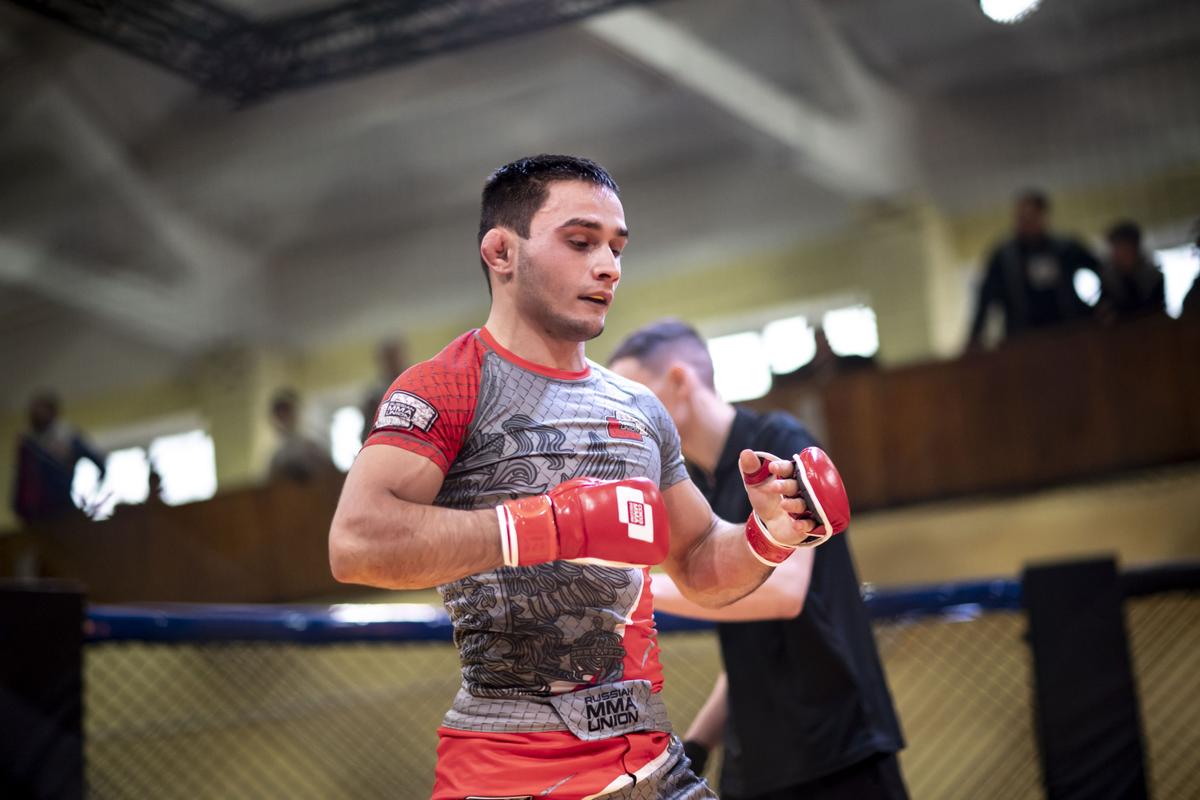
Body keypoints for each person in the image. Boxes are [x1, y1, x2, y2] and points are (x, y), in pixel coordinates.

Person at [328, 154, 849, 799]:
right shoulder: (449, 385)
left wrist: (768, 535)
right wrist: (553, 525)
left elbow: (698, 562)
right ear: (501, 252)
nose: (608, 266)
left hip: (653, 767)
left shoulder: (639, 409)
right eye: (580, 242)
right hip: (509, 775)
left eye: (616, 247)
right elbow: (357, 542)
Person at [609, 320, 906, 800]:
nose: (627, 417)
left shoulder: (778, 439)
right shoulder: (695, 489)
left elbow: (785, 593)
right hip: (758, 760)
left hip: (839, 748)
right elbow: (751, 647)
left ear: (680, 380)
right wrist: (700, 742)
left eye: (635, 397)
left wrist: (625, 588)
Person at [967, 189, 1100, 348]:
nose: (1025, 223)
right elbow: (987, 296)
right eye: (1020, 217)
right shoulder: (1004, 257)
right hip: (1023, 339)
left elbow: (1098, 275)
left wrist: (1094, 312)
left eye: (1030, 217)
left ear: (1043, 216)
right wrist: (975, 337)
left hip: (1070, 332)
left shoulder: (1066, 249)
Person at [11, 390, 106, 525]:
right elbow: (22, 479)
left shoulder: (68, 437)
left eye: (42, 410)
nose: (38, 414)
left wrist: (91, 497)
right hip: (33, 513)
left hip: (62, 508)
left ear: (53, 412)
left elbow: (100, 464)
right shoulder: (28, 444)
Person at [1096, 220, 1165, 323]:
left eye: (1124, 248)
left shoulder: (1153, 278)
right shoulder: (1109, 281)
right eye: (1116, 248)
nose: (1119, 254)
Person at [267, 388, 336, 483]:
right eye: (280, 414)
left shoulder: (313, 447)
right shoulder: (278, 457)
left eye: (286, 412)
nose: (284, 419)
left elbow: (330, 475)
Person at [358, 339, 409, 445]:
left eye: (395, 356)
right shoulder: (374, 397)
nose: (393, 362)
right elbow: (366, 435)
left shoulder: (415, 383)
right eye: (388, 358)